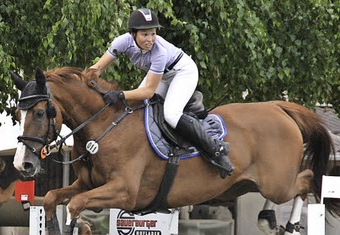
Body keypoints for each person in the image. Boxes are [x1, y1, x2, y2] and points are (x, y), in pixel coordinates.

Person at [90, 8, 233, 178]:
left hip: (182, 72)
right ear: (133, 34)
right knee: (134, 106)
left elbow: (148, 92)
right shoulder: (121, 42)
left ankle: (216, 149)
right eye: (145, 35)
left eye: (153, 33)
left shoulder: (159, 52)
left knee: (171, 114)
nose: (150, 39)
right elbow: (97, 68)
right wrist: (80, 80)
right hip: (162, 76)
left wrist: (120, 95)